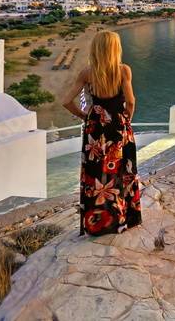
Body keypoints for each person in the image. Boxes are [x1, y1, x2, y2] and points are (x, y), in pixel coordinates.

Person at [61, 31, 142, 235]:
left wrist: (85, 117)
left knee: (95, 173)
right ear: (115, 49)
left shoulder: (87, 73)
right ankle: (124, 220)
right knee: (122, 171)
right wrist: (127, 119)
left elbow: (66, 102)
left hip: (95, 126)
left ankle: (96, 223)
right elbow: (130, 101)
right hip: (118, 124)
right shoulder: (123, 70)